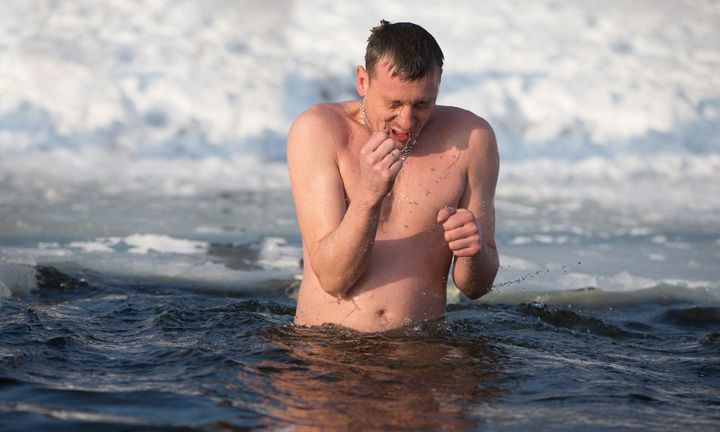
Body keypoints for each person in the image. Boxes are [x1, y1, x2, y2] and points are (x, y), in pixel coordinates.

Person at [287, 20, 499, 332]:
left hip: (420, 349)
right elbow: (334, 279)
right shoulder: (319, 131)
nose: (407, 120)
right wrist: (369, 195)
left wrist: (473, 251)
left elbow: (475, 287)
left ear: (438, 84)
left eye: (422, 104)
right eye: (394, 103)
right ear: (363, 81)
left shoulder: (471, 139)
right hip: (326, 347)